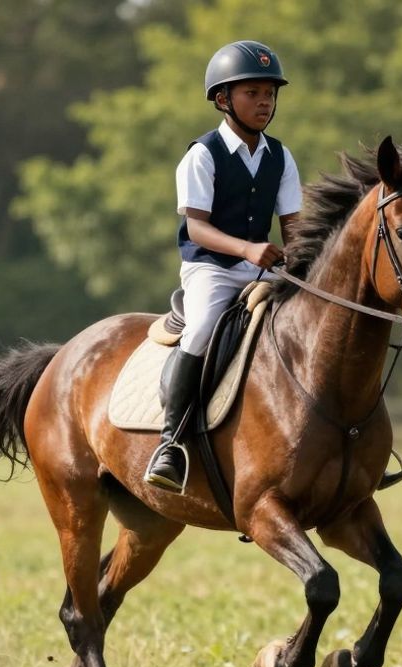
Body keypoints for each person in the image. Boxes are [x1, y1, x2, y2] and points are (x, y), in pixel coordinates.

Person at [143, 40, 299, 493]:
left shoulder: (281, 156)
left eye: (270, 93)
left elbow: (294, 226)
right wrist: (249, 249)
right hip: (210, 268)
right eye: (253, 92)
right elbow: (196, 229)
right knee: (203, 326)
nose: (265, 102)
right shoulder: (202, 155)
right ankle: (171, 442)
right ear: (222, 99)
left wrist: (307, 266)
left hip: (265, 269)